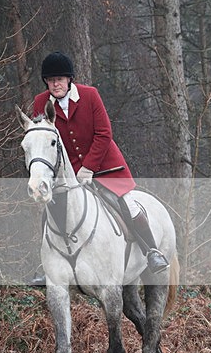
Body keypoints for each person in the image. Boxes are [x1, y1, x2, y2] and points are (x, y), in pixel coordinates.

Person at [30, 51, 169, 284]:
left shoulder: (90, 95)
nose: (55, 84)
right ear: (46, 81)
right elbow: (42, 139)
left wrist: (89, 167)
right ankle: (47, 267)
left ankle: (152, 251)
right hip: (68, 174)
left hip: (105, 166)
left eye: (60, 79)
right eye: (51, 80)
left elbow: (104, 134)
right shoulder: (40, 102)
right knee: (50, 211)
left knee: (129, 205)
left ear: (69, 79)